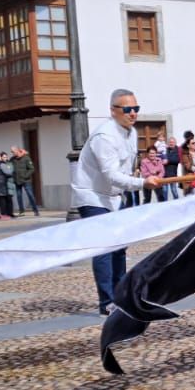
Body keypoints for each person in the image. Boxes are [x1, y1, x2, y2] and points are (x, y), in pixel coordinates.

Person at [71, 89, 165, 315]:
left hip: (113, 196)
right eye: (127, 109)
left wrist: (137, 182)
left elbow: (124, 169)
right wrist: (143, 183)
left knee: (119, 247)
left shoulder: (131, 133)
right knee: (104, 248)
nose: (133, 114)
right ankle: (107, 302)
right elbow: (110, 175)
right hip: (92, 195)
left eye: (136, 109)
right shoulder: (104, 137)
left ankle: (120, 295)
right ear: (113, 111)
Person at [11, 146, 39, 216]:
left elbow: (32, 169)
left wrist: (25, 176)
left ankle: (35, 210)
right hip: (17, 180)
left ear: (17, 151)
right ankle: (21, 211)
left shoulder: (26, 158)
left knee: (30, 195)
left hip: (26, 181)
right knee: (19, 196)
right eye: (11, 152)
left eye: (13, 151)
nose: (12, 153)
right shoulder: (12, 159)